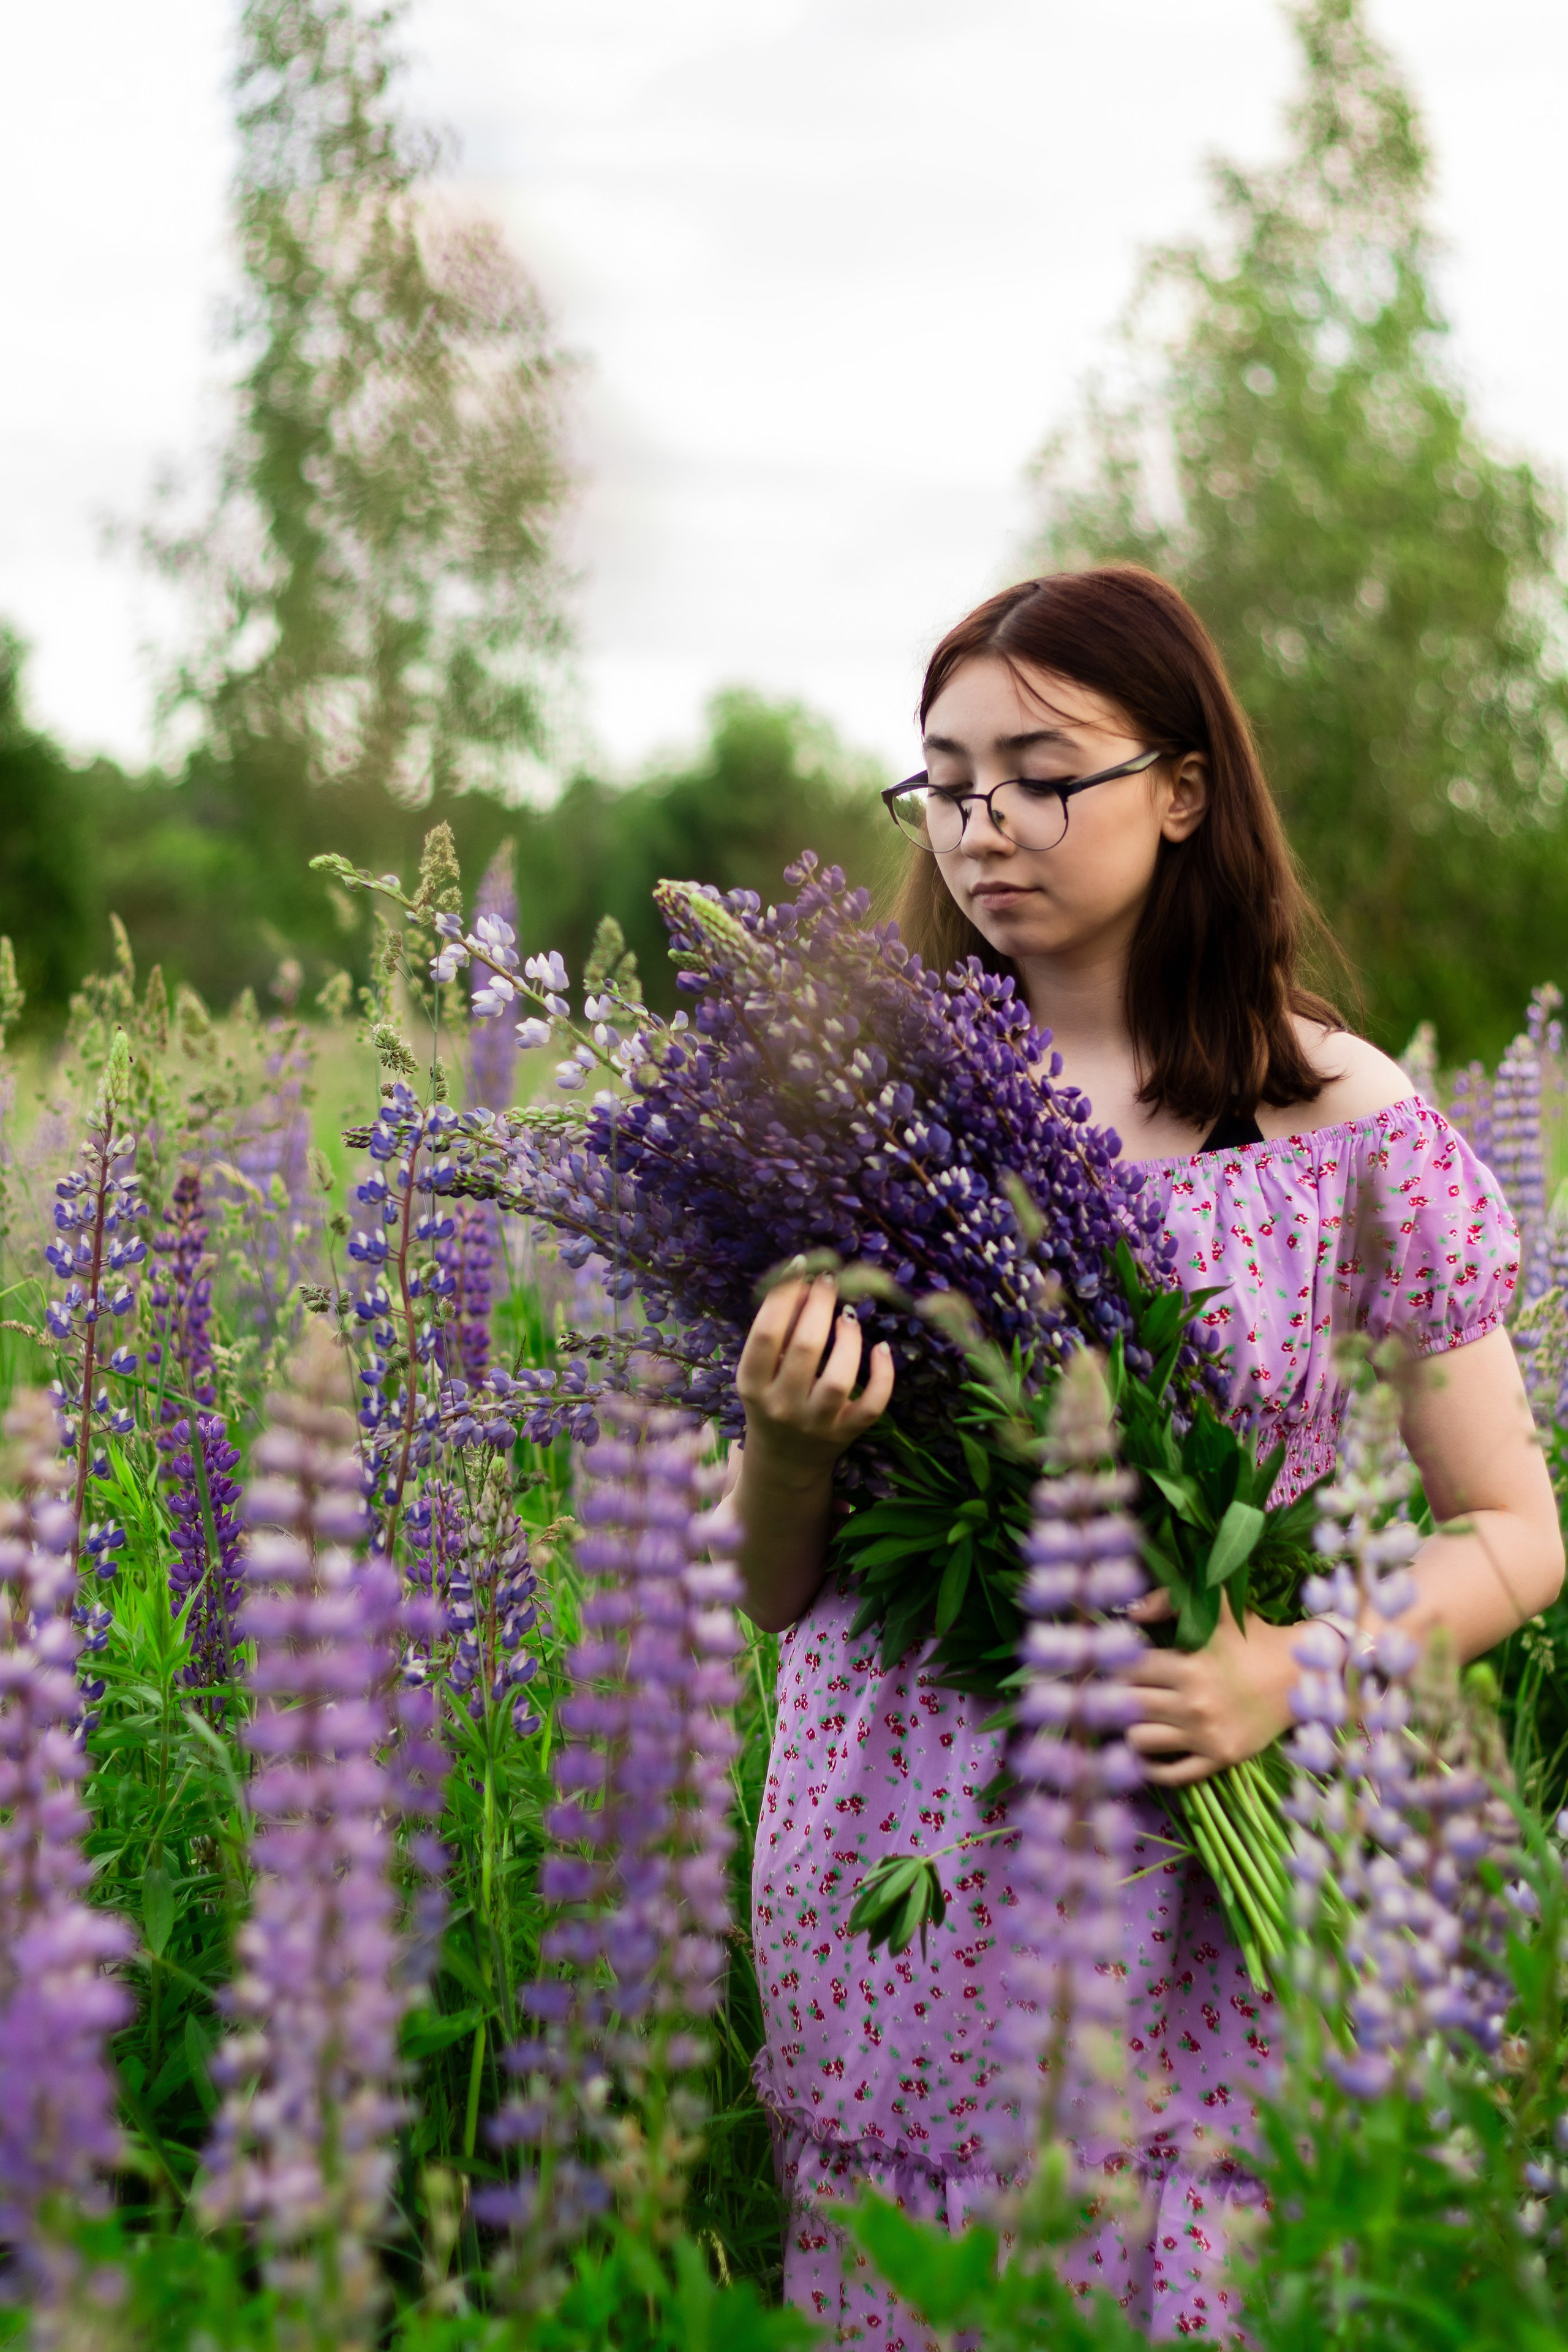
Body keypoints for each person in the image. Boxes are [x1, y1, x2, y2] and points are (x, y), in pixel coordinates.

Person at [723, 567, 1564, 2345]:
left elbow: (1514, 1531)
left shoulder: (1339, 1124)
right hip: (895, 1857)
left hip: (1200, 1873)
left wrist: (1292, 1669)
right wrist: (784, 1445)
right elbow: (774, 1592)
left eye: (1043, 776)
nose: (983, 825)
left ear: (1183, 790)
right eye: (948, 781)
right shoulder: (870, 1121)